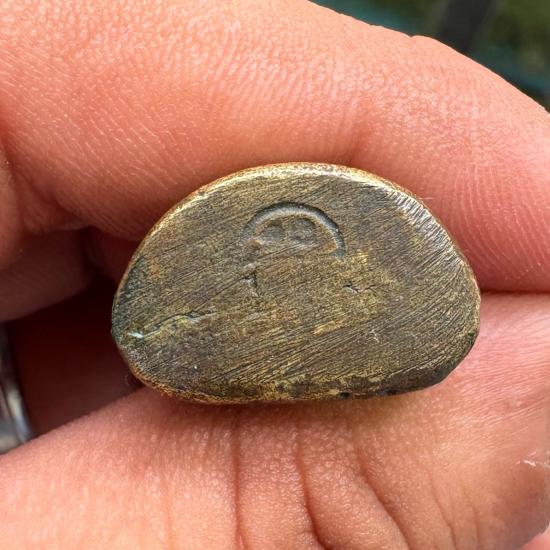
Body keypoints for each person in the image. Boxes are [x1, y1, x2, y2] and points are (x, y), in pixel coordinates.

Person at [0, 1, 549, 548]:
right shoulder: (222, 316)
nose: (280, 258)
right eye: (272, 246)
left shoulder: (365, 310)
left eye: (298, 245)